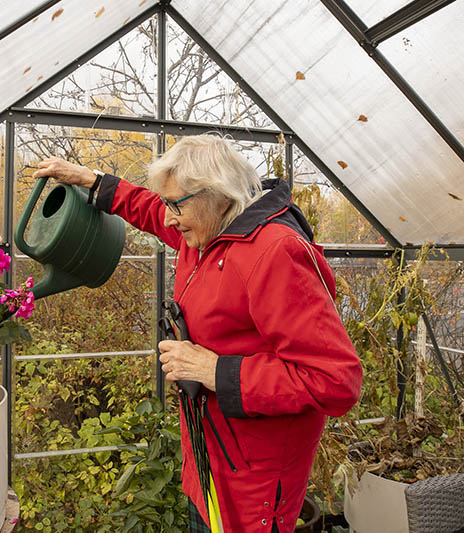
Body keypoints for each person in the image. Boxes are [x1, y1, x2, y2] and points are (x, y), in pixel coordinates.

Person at [32, 135, 362, 532]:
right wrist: (93, 181)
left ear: (218, 195)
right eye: (168, 203)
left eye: (176, 204)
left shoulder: (275, 254)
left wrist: (215, 370)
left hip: (253, 481)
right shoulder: (208, 233)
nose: (168, 217)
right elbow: (152, 210)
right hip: (208, 459)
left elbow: (336, 381)